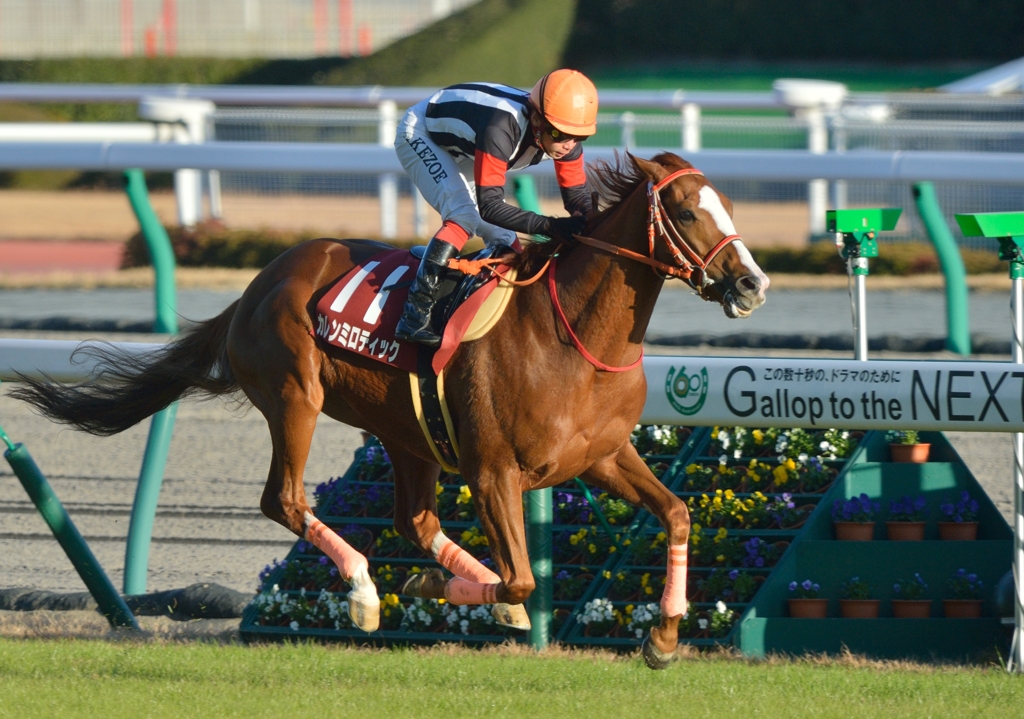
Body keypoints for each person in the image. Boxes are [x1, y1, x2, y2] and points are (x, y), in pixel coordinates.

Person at [393, 68, 599, 346]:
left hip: (465, 145)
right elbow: (490, 207)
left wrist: (594, 224)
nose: (568, 145)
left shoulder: (562, 135)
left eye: (579, 137)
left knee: (504, 239)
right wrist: (550, 226)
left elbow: (578, 200)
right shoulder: (502, 127)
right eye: (560, 134)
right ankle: (415, 314)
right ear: (537, 119)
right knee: (463, 215)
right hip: (422, 133)